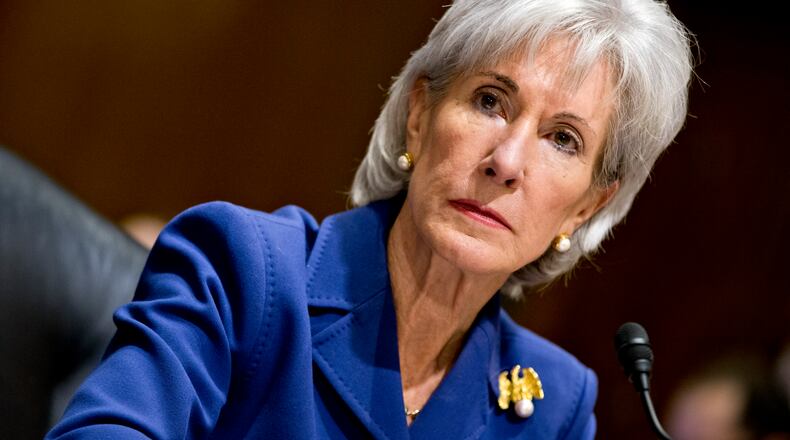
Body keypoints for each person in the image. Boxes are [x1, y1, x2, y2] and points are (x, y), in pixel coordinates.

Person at [46, 0, 694, 438]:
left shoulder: (554, 403)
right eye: (490, 100)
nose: (507, 161)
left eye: (563, 139)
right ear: (420, 114)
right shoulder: (245, 268)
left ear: (586, 205)